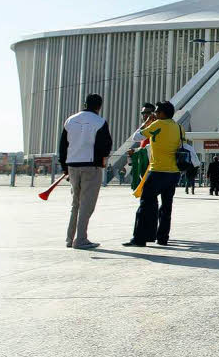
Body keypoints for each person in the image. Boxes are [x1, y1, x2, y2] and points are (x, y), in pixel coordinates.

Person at [124, 101, 182, 247]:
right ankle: (162, 238)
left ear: (162, 113)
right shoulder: (178, 127)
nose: (154, 114)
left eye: (156, 112)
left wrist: (147, 123)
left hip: (157, 170)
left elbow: (136, 137)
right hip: (173, 172)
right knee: (166, 206)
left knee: (146, 204)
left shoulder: (157, 125)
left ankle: (140, 238)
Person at [58, 93, 112, 249]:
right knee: (87, 204)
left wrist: (64, 168)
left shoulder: (70, 120)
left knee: (75, 203)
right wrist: (101, 160)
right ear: (99, 106)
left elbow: (63, 146)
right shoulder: (100, 122)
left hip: (72, 165)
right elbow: (106, 145)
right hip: (91, 165)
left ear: (85, 103)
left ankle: (70, 238)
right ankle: (81, 239)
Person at [128, 103, 154, 190]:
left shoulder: (153, 126)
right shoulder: (145, 126)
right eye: (143, 113)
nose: (144, 115)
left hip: (151, 162)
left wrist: (146, 123)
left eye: (147, 113)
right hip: (144, 160)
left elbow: (135, 137)